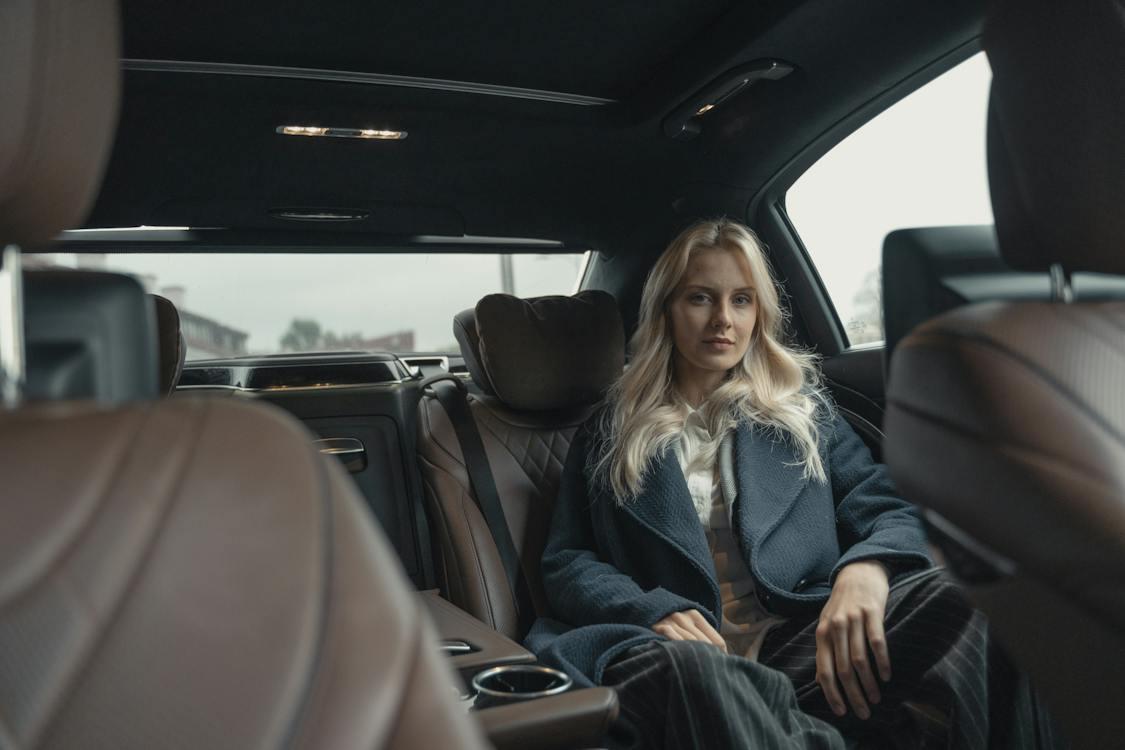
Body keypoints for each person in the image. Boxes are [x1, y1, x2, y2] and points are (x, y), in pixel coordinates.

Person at [524, 218, 1061, 749]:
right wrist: (649, 610)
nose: (723, 321)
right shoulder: (612, 428)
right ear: (666, 308)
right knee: (705, 677)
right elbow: (568, 560)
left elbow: (889, 507)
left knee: (983, 593)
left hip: (799, 640)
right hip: (676, 650)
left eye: (741, 300)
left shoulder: (803, 413)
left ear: (759, 313)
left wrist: (866, 569)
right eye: (700, 298)